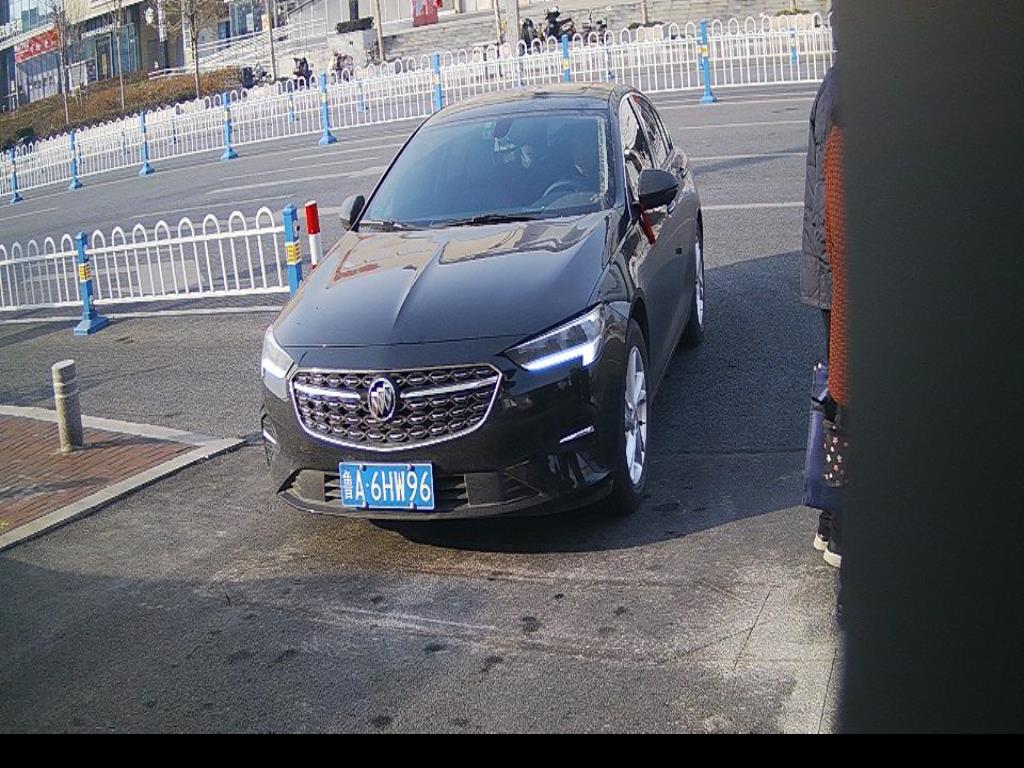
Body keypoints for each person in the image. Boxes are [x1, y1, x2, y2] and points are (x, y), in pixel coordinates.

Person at [802, 60, 839, 560]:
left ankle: (832, 520)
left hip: (832, 273)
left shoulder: (839, 83)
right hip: (838, 278)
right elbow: (830, 203)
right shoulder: (844, 91)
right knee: (843, 400)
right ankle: (835, 521)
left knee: (842, 397)